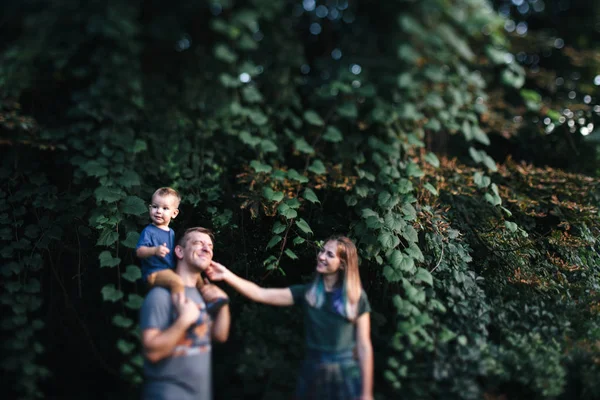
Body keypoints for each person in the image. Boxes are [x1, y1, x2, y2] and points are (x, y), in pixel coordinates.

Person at [207, 235, 373, 400]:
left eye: (330, 254)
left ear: (342, 264)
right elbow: (260, 293)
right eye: (322, 251)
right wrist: (226, 275)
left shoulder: (356, 298)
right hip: (313, 371)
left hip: (345, 374)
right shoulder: (307, 293)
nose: (321, 256)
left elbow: (364, 346)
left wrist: (366, 394)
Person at [140, 227, 231, 400]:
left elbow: (218, 336)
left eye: (210, 246)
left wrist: (223, 303)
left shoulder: (201, 294)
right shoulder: (161, 295)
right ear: (179, 251)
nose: (206, 249)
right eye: (198, 243)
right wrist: (184, 320)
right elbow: (152, 353)